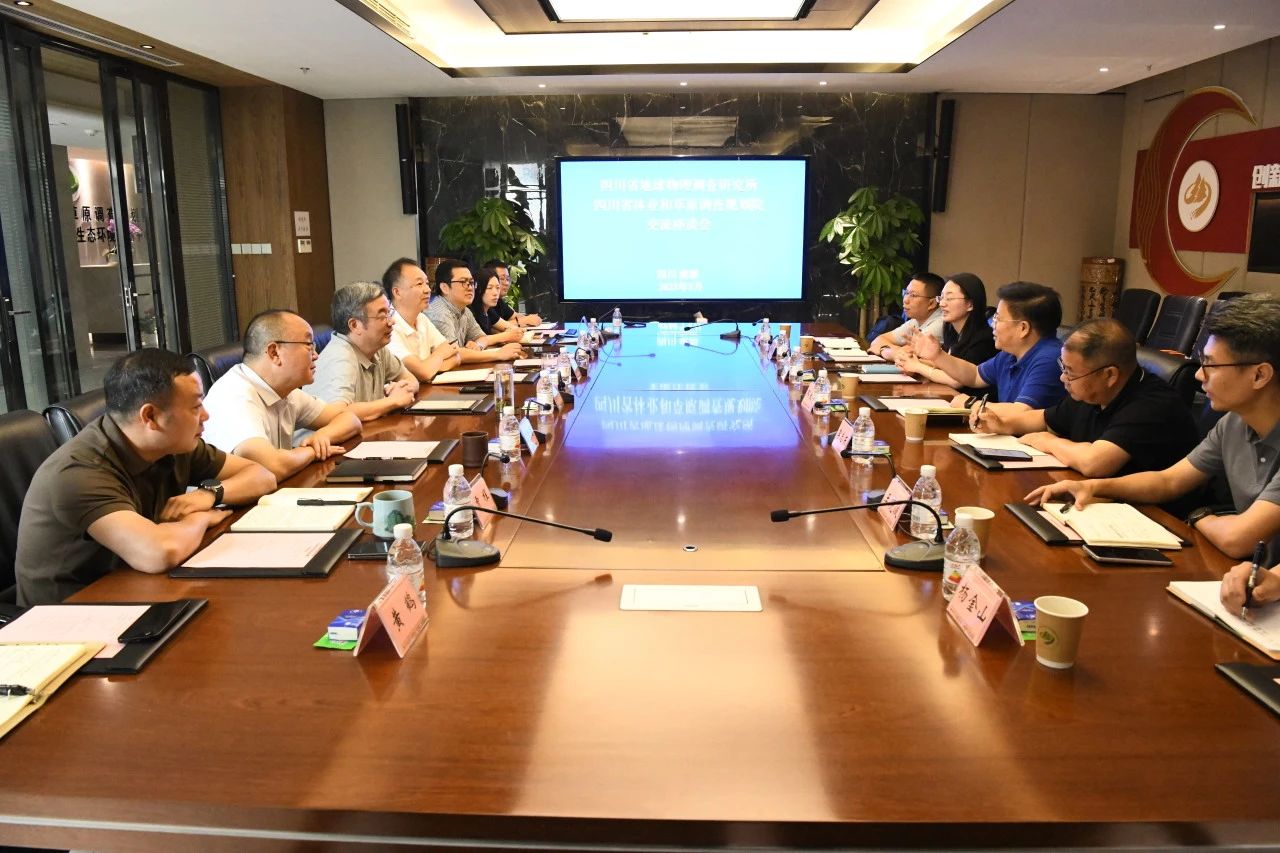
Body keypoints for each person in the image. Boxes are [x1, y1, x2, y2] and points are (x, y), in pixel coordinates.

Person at [1028, 293, 1280, 562]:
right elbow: (1168, 481)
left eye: (1210, 364)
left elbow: (1236, 539)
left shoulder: (1160, 402)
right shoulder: (1234, 422)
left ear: (1259, 375)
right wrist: (1094, 487)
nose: (1198, 374)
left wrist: (1199, 516)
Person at [15, 349, 277, 605]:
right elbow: (159, 552)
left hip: (135, 588)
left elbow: (262, 476)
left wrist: (210, 494)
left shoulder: (173, 443)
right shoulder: (80, 471)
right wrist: (201, 517)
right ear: (150, 416)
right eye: (196, 406)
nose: (206, 416)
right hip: (68, 615)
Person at [972, 318, 1198, 477]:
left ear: (1109, 375)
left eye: (1070, 371)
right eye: (1063, 367)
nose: (1063, 378)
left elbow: (1095, 463)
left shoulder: (1152, 404)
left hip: (1154, 517)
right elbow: (1044, 419)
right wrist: (1002, 424)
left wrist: (1050, 442)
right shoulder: (1090, 391)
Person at [202, 309, 363, 480]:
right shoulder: (234, 397)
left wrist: (322, 436)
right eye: (309, 345)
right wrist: (311, 451)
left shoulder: (286, 391)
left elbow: (350, 419)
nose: (316, 355)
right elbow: (273, 467)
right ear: (274, 352)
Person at [914, 280, 1066, 416]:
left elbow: (1022, 411)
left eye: (998, 318)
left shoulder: (1050, 359)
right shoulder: (1010, 354)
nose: (993, 325)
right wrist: (938, 356)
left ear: (1023, 328)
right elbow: (975, 375)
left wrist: (970, 404)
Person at [305, 282, 421, 420]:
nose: (391, 322)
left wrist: (402, 389)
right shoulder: (340, 359)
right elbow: (337, 413)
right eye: (382, 316)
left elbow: (410, 379)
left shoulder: (377, 348)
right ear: (355, 325)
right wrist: (393, 401)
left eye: (389, 312)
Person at [896, 272, 996, 391]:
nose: (942, 304)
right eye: (942, 297)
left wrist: (917, 367)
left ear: (970, 304)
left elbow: (956, 380)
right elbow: (947, 366)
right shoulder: (952, 331)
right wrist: (910, 361)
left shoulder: (984, 339)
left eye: (949, 298)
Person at [425, 259, 524, 363]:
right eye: (463, 282)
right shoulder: (439, 313)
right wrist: (498, 354)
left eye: (471, 282)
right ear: (444, 287)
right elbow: (452, 353)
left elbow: (481, 337)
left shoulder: (465, 310)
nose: (470, 288)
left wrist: (477, 346)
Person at [382, 258, 463, 382]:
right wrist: (439, 355)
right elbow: (423, 372)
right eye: (420, 284)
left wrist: (428, 366)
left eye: (427, 283)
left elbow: (455, 356)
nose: (428, 290)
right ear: (397, 292)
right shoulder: (388, 327)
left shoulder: (421, 318)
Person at [866, 272, 945, 361]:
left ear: (932, 303)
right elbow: (878, 340)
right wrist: (894, 351)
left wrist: (884, 350)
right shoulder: (916, 320)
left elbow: (909, 358)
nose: (905, 300)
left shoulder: (940, 324)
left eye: (913, 295)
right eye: (906, 293)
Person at [484, 260, 542, 328]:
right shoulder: (484, 304)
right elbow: (494, 328)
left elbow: (513, 317)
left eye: (508, 279)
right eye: (502, 279)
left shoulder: (498, 301)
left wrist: (530, 318)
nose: (506, 283)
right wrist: (526, 320)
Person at [469, 267, 505, 336]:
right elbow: (483, 339)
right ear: (478, 289)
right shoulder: (471, 313)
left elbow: (508, 327)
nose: (495, 293)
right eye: (489, 288)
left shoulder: (488, 310)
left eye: (497, 288)